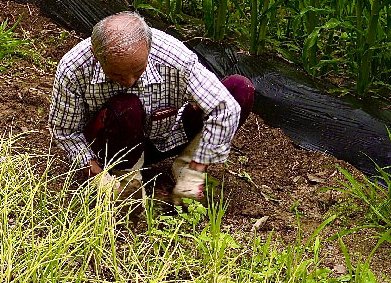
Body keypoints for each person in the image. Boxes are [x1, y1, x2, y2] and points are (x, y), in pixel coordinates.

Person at [48, 12, 254, 203]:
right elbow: (66, 132)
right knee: (127, 106)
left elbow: (224, 108)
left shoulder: (174, 58)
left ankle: (185, 171)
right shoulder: (74, 68)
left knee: (239, 89)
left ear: (149, 46)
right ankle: (127, 182)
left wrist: (197, 169)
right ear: (96, 55)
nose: (128, 81)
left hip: (164, 133)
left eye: (138, 71)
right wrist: (99, 177)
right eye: (117, 75)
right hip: (111, 143)